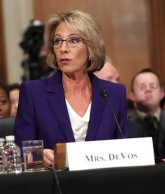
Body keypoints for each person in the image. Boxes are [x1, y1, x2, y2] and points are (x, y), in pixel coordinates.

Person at [14, 10, 128, 166]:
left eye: (73, 40)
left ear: (91, 48)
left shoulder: (114, 94)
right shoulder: (34, 93)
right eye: (57, 41)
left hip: (103, 184)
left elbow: (125, 150)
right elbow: (20, 150)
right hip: (55, 185)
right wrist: (38, 154)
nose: (63, 49)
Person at [94, 57, 144, 138]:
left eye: (117, 79)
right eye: (108, 80)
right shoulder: (83, 128)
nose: (116, 85)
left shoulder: (135, 129)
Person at [128, 68, 165, 158]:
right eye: (141, 87)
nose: (148, 90)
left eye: (153, 86)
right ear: (132, 95)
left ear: (162, 93)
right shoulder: (123, 123)